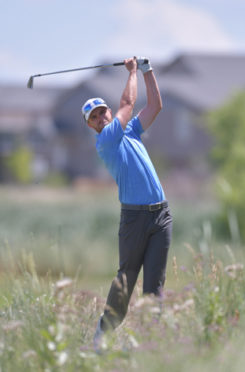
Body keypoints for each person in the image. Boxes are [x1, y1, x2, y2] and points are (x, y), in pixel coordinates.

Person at [82, 57, 173, 352]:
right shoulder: (107, 140)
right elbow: (128, 102)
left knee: (154, 286)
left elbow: (155, 106)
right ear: (92, 126)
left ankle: (152, 343)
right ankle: (103, 331)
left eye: (102, 111)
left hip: (161, 215)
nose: (101, 117)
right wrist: (132, 71)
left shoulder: (131, 132)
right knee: (126, 280)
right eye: (94, 117)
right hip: (134, 219)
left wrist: (147, 71)